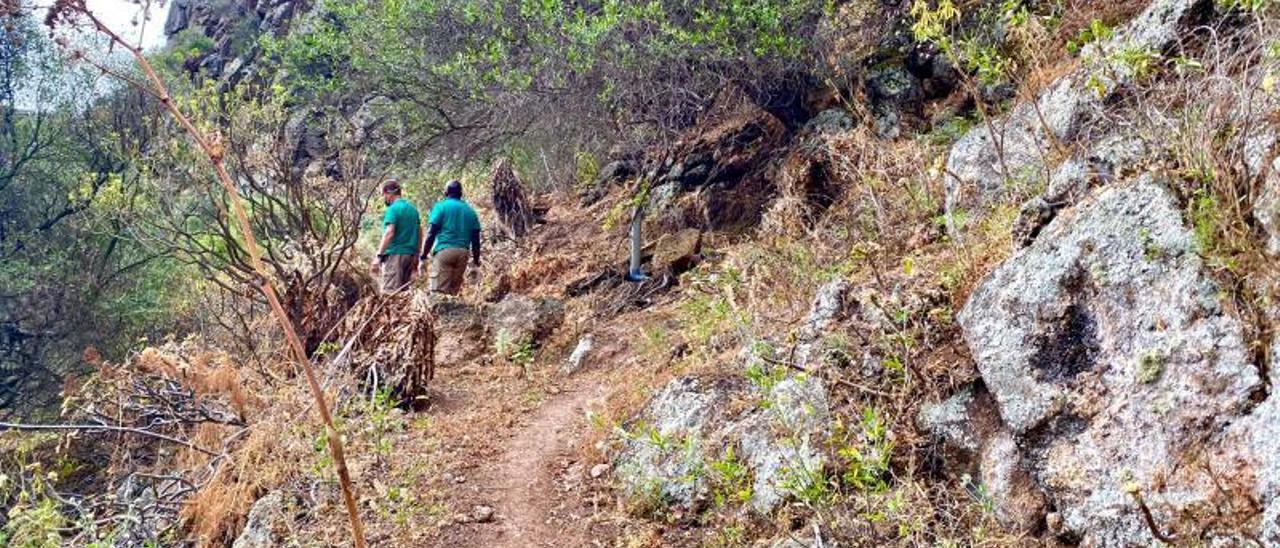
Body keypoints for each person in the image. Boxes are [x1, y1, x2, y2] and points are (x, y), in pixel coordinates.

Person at [421, 180, 481, 295]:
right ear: (461, 193)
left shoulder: (441, 207)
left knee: (438, 293)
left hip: (445, 251)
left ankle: (438, 312)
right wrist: (476, 261)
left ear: (446, 192)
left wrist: (424, 255)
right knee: (453, 293)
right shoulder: (470, 211)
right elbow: (476, 240)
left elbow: (431, 233)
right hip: (463, 253)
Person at [372, 179, 422, 294]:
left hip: (395, 256)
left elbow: (390, 232)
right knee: (404, 295)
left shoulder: (393, 209)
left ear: (389, 193)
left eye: (384, 195)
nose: (384, 198)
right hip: (410, 256)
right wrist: (416, 255)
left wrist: (379, 256)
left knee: (390, 295)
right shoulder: (413, 210)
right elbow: (419, 233)